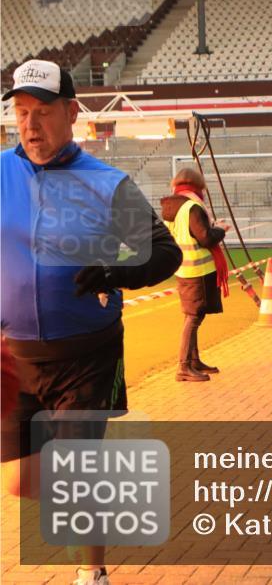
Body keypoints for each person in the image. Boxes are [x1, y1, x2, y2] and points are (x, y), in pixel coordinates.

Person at [0, 59, 182, 585]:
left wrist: (113, 266)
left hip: (88, 353)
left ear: (72, 113)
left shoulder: (108, 183)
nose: (31, 126)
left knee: (77, 469)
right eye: (22, 112)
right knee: (16, 482)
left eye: (44, 112)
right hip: (17, 355)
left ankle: (92, 573)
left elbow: (164, 253)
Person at [160, 168, 231, 382]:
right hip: (198, 270)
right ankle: (184, 366)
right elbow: (206, 238)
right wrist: (220, 229)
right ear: (198, 185)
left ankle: (193, 360)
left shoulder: (172, 207)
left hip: (184, 267)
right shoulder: (192, 207)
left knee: (192, 315)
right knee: (194, 317)